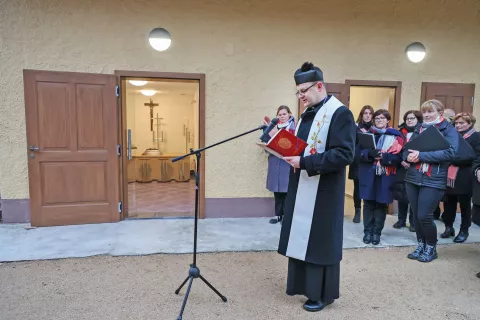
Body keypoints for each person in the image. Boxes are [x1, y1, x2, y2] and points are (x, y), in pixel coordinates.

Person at [278, 62, 355, 312]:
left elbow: (344, 154)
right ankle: (303, 287)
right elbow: (303, 146)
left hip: (324, 191)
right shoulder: (307, 114)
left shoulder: (339, 113)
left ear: (319, 85)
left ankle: (322, 294)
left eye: (303, 91)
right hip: (302, 185)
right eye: (297, 92)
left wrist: (304, 162)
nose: (300, 97)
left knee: (319, 243)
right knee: (302, 238)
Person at [403, 99, 459, 263]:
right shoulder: (419, 128)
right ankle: (421, 244)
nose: (426, 115)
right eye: (424, 112)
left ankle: (431, 247)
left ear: (440, 113)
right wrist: (408, 156)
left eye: (430, 112)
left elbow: (451, 153)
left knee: (424, 215)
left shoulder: (448, 129)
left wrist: (421, 156)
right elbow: (408, 148)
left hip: (433, 178)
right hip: (413, 176)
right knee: (416, 216)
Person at [357, 109, 404, 245]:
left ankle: (377, 233)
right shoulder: (366, 135)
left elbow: (400, 157)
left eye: (382, 118)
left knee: (381, 204)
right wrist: (370, 155)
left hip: (386, 174)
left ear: (388, 120)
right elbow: (357, 154)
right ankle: (367, 232)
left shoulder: (397, 136)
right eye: (376, 118)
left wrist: (384, 157)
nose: (379, 121)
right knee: (368, 204)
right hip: (369, 173)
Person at [441, 113, 480, 242]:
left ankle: (464, 230)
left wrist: (453, 159)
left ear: (470, 124)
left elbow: (475, 157)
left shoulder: (476, 137)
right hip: (450, 174)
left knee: (464, 205)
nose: (458, 125)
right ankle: (448, 227)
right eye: (456, 123)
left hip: (465, 174)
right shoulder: (452, 136)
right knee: (448, 203)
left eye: (462, 123)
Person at [264, 106, 296, 224]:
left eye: (284, 114)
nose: (282, 116)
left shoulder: (294, 127)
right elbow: (267, 142)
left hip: (286, 162)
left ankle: (287, 216)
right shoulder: (273, 127)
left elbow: (294, 144)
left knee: (287, 189)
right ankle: (278, 215)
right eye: (280, 115)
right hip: (275, 160)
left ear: (289, 114)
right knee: (277, 190)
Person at [393, 110, 423, 232]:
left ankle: (413, 222)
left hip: (416, 168)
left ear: (418, 120)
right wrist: (401, 160)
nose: (409, 120)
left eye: (412, 118)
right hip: (402, 167)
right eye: (407, 118)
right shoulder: (400, 133)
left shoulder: (422, 132)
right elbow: (395, 150)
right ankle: (401, 220)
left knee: (413, 196)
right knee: (401, 195)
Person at [349, 105, 374, 223]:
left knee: (371, 187)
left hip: (371, 162)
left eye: (370, 113)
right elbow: (351, 143)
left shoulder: (376, 128)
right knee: (357, 188)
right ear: (361, 115)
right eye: (365, 113)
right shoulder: (355, 127)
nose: (367, 115)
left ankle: (368, 212)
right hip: (358, 162)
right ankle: (357, 211)